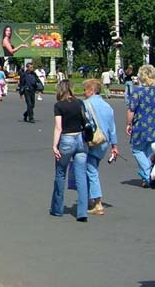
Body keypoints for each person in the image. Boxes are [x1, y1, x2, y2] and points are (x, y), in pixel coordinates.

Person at [51, 80, 89, 221]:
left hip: (66, 140)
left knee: (60, 173)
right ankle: (82, 212)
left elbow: (58, 127)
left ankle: (57, 208)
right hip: (80, 139)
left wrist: (55, 145)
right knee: (81, 176)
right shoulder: (79, 103)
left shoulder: (59, 106)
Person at [82, 79, 119, 215]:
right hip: (104, 142)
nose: (83, 93)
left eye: (85, 90)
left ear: (91, 91)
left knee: (91, 171)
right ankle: (90, 198)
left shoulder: (85, 105)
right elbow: (112, 128)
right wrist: (114, 145)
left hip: (92, 141)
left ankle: (97, 203)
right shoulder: (107, 106)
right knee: (93, 168)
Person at [128, 64, 155, 187]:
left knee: (137, 149)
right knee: (150, 150)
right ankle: (147, 177)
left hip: (141, 125)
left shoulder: (138, 91)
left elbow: (131, 109)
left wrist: (128, 123)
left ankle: (148, 172)